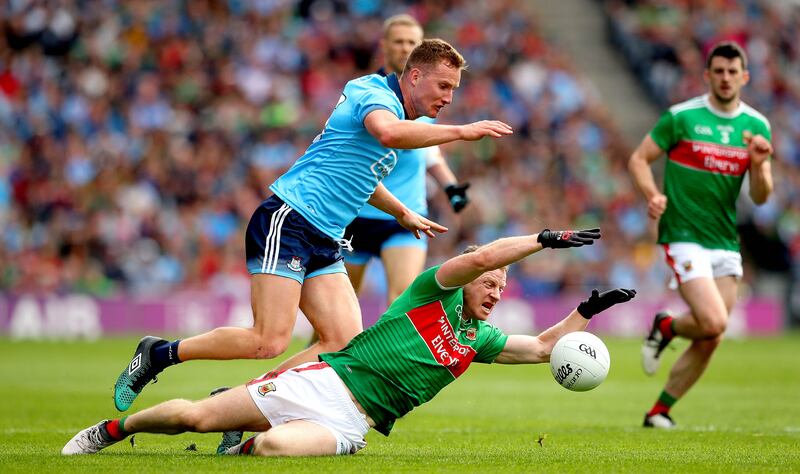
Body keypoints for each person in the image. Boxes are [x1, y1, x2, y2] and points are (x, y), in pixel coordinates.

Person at [111, 38, 514, 413]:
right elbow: (387, 133)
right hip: (290, 219)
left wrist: (401, 212)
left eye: (454, 90)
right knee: (268, 340)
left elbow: (360, 174)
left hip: (326, 236)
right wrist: (462, 131)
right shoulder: (371, 92)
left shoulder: (403, 115)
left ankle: (243, 402)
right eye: (444, 86)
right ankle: (158, 354)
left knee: (342, 341)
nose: (448, 98)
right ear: (414, 76)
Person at [63, 227, 636, 457]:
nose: (495, 289)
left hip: (349, 420)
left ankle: (240, 447)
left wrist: (586, 311)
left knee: (272, 450)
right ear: (467, 280)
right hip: (321, 379)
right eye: (489, 284)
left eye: (502, 288)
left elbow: (540, 349)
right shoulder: (426, 296)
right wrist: (539, 240)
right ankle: (114, 430)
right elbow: (483, 256)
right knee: (192, 417)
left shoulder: (478, 338)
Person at [628, 41, 773, 429]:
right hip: (683, 233)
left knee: (712, 337)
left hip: (724, 240)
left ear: (744, 77)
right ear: (707, 76)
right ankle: (667, 326)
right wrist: (653, 194)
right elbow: (639, 158)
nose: (725, 78)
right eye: (719, 71)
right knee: (712, 322)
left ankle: (659, 410)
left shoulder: (756, 127)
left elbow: (761, 197)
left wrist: (759, 166)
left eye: (732, 72)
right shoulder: (681, 117)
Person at [345, 14, 471, 305]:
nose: (404, 48)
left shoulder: (426, 95)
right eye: (398, 41)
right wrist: (464, 132)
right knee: (343, 308)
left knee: (401, 299)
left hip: (406, 216)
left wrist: (451, 187)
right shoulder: (369, 91)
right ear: (384, 45)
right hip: (358, 212)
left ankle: (385, 352)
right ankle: (325, 350)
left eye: (411, 42)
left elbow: (429, 152)